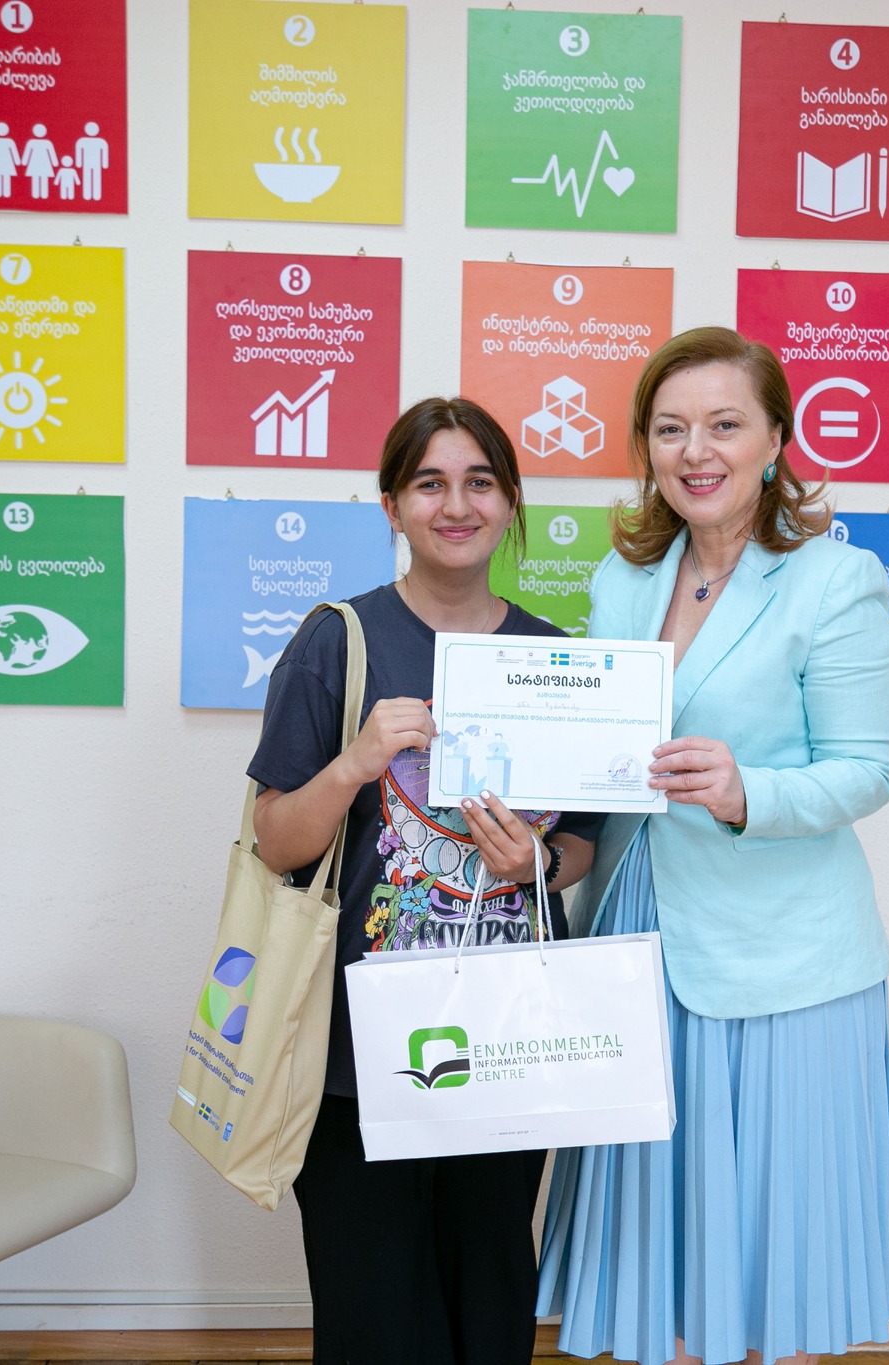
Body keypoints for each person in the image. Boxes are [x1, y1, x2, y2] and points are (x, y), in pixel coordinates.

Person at [538, 327, 889, 1365]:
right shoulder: (623, 578)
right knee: (657, 1232)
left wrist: (748, 792)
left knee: (768, 1237)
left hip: (779, 953)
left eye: (724, 425)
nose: (695, 451)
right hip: (637, 927)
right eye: (669, 429)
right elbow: (600, 746)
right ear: (646, 448)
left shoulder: (836, 579)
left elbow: (866, 771)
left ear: (776, 439)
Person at [247, 396, 604, 1365]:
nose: (456, 505)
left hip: (507, 1040)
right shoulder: (339, 641)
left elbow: (581, 847)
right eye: (429, 483)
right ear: (391, 506)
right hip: (353, 1055)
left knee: (490, 1303)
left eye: (479, 482)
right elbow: (275, 841)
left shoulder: (556, 661)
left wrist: (535, 862)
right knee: (371, 1315)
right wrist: (355, 763)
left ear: (511, 502)